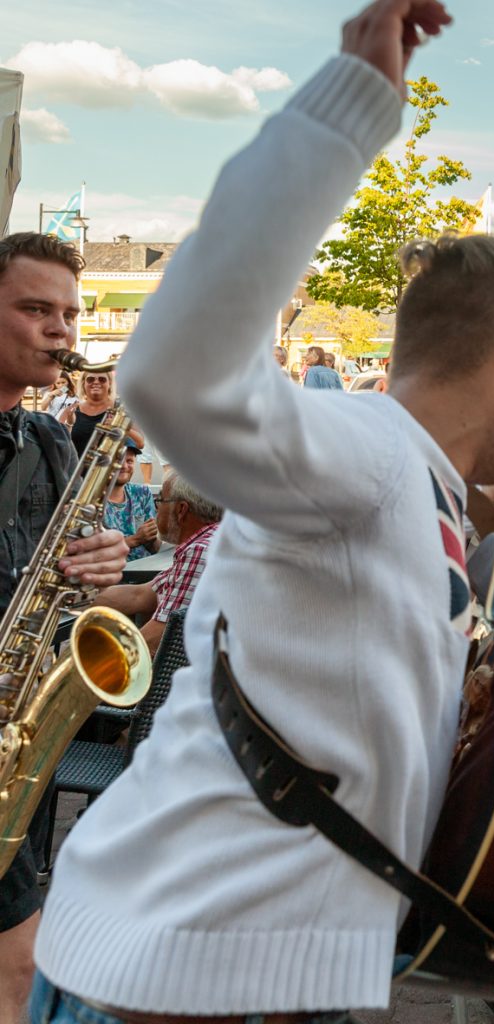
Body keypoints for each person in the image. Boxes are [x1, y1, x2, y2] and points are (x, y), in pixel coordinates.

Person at [31, 8, 494, 1024]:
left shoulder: (407, 486)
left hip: (247, 976)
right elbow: (176, 370)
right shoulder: (369, 453)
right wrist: (348, 109)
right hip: (180, 979)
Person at [0, 231, 131, 1023]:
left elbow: (58, 577)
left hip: (20, 733)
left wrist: (101, 561)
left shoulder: (51, 439)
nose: (62, 330)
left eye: (70, 314)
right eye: (35, 309)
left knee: (19, 964)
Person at [93, 470, 223, 654]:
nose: (156, 510)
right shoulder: (211, 541)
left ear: (181, 510)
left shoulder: (201, 551)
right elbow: (140, 594)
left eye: (160, 501)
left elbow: (156, 639)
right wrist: (78, 600)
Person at [56, 367, 145, 457]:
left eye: (102, 379)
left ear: (109, 383)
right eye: (90, 379)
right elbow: (58, 443)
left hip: (106, 469)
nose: (96, 382)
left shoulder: (120, 411)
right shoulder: (71, 410)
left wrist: (120, 426)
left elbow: (140, 443)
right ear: (83, 383)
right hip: (75, 468)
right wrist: (69, 424)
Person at [102, 439, 159, 560]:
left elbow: (154, 547)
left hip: (145, 568)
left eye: (129, 461)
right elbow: (96, 554)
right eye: (118, 460)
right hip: (113, 573)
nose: (124, 466)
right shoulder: (93, 501)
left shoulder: (142, 493)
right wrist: (136, 539)